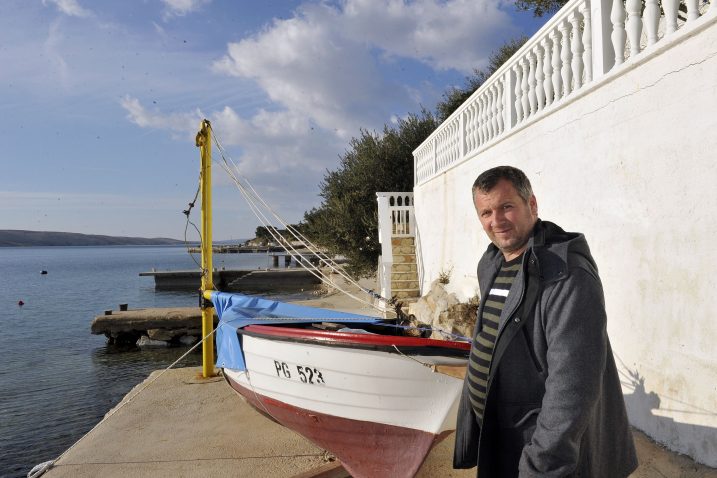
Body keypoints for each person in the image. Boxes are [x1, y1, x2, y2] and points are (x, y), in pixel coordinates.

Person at [453, 166, 638, 477]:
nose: (495, 221)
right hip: (502, 439)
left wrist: (540, 466)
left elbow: (572, 388)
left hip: (540, 455)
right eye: (486, 212)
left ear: (532, 205)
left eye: (506, 207)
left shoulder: (567, 274)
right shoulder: (492, 263)